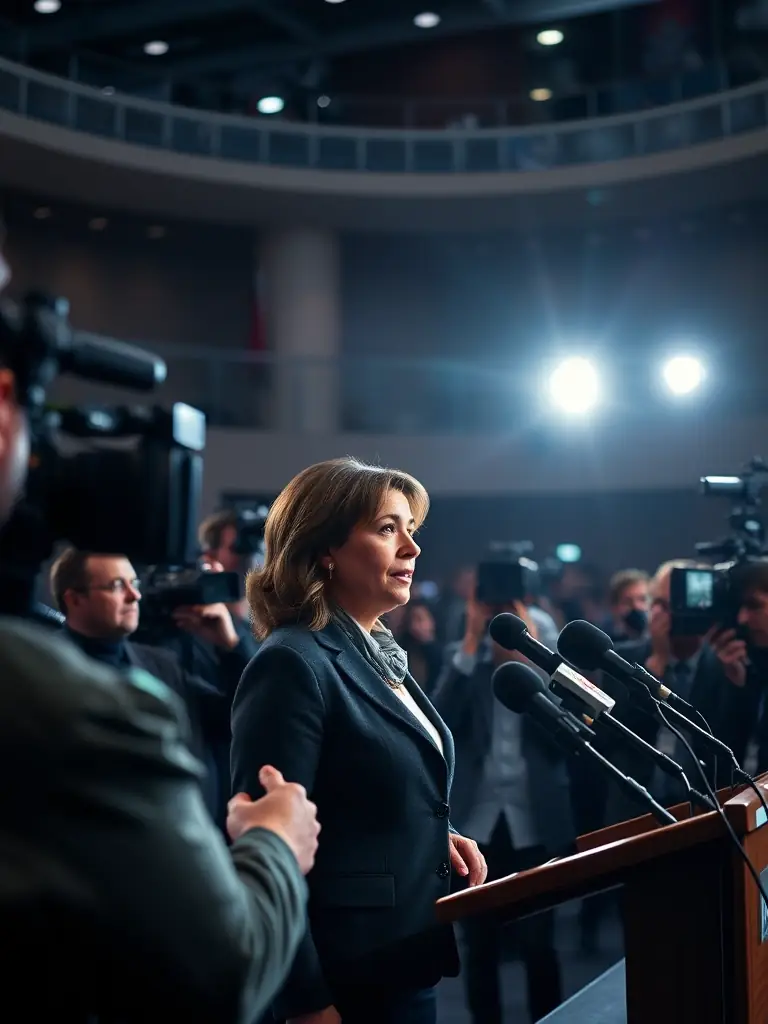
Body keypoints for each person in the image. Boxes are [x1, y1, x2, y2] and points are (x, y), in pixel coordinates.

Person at [0, 239, 319, 1021]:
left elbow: (221, 707)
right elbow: (221, 967)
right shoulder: (65, 705)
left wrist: (231, 643)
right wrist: (274, 841)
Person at [231, 457, 488, 1024]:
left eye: (411, 531)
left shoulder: (378, 653)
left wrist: (429, 832)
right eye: (387, 529)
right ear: (324, 547)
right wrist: (307, 1001)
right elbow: (268, 843)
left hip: (401, 959)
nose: (412, 550)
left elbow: (360, 788)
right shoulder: (293, 663)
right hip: (344, 981)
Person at [432, 594, 574, 1024]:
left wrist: (529, 663)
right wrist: (472, 640)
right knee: (479, 944)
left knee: (538, 943)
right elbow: (437, 721)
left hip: (534, 820)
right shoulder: (466, 666)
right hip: (480, 822)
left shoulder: (540, 650)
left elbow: (566, 740)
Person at [48, 546, 252, 827]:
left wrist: (230, 646)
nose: (135, 596)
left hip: (180, 840)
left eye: (134, 583)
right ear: (74, 599)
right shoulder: (44, 670)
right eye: (117, 586)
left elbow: (238, 715)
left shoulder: (162, 664)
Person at [397, 599, 443, 697]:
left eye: (420, 619)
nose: (416, 626)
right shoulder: (401, 653)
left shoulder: (444, 654)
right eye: (412, 621)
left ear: (432, 621)